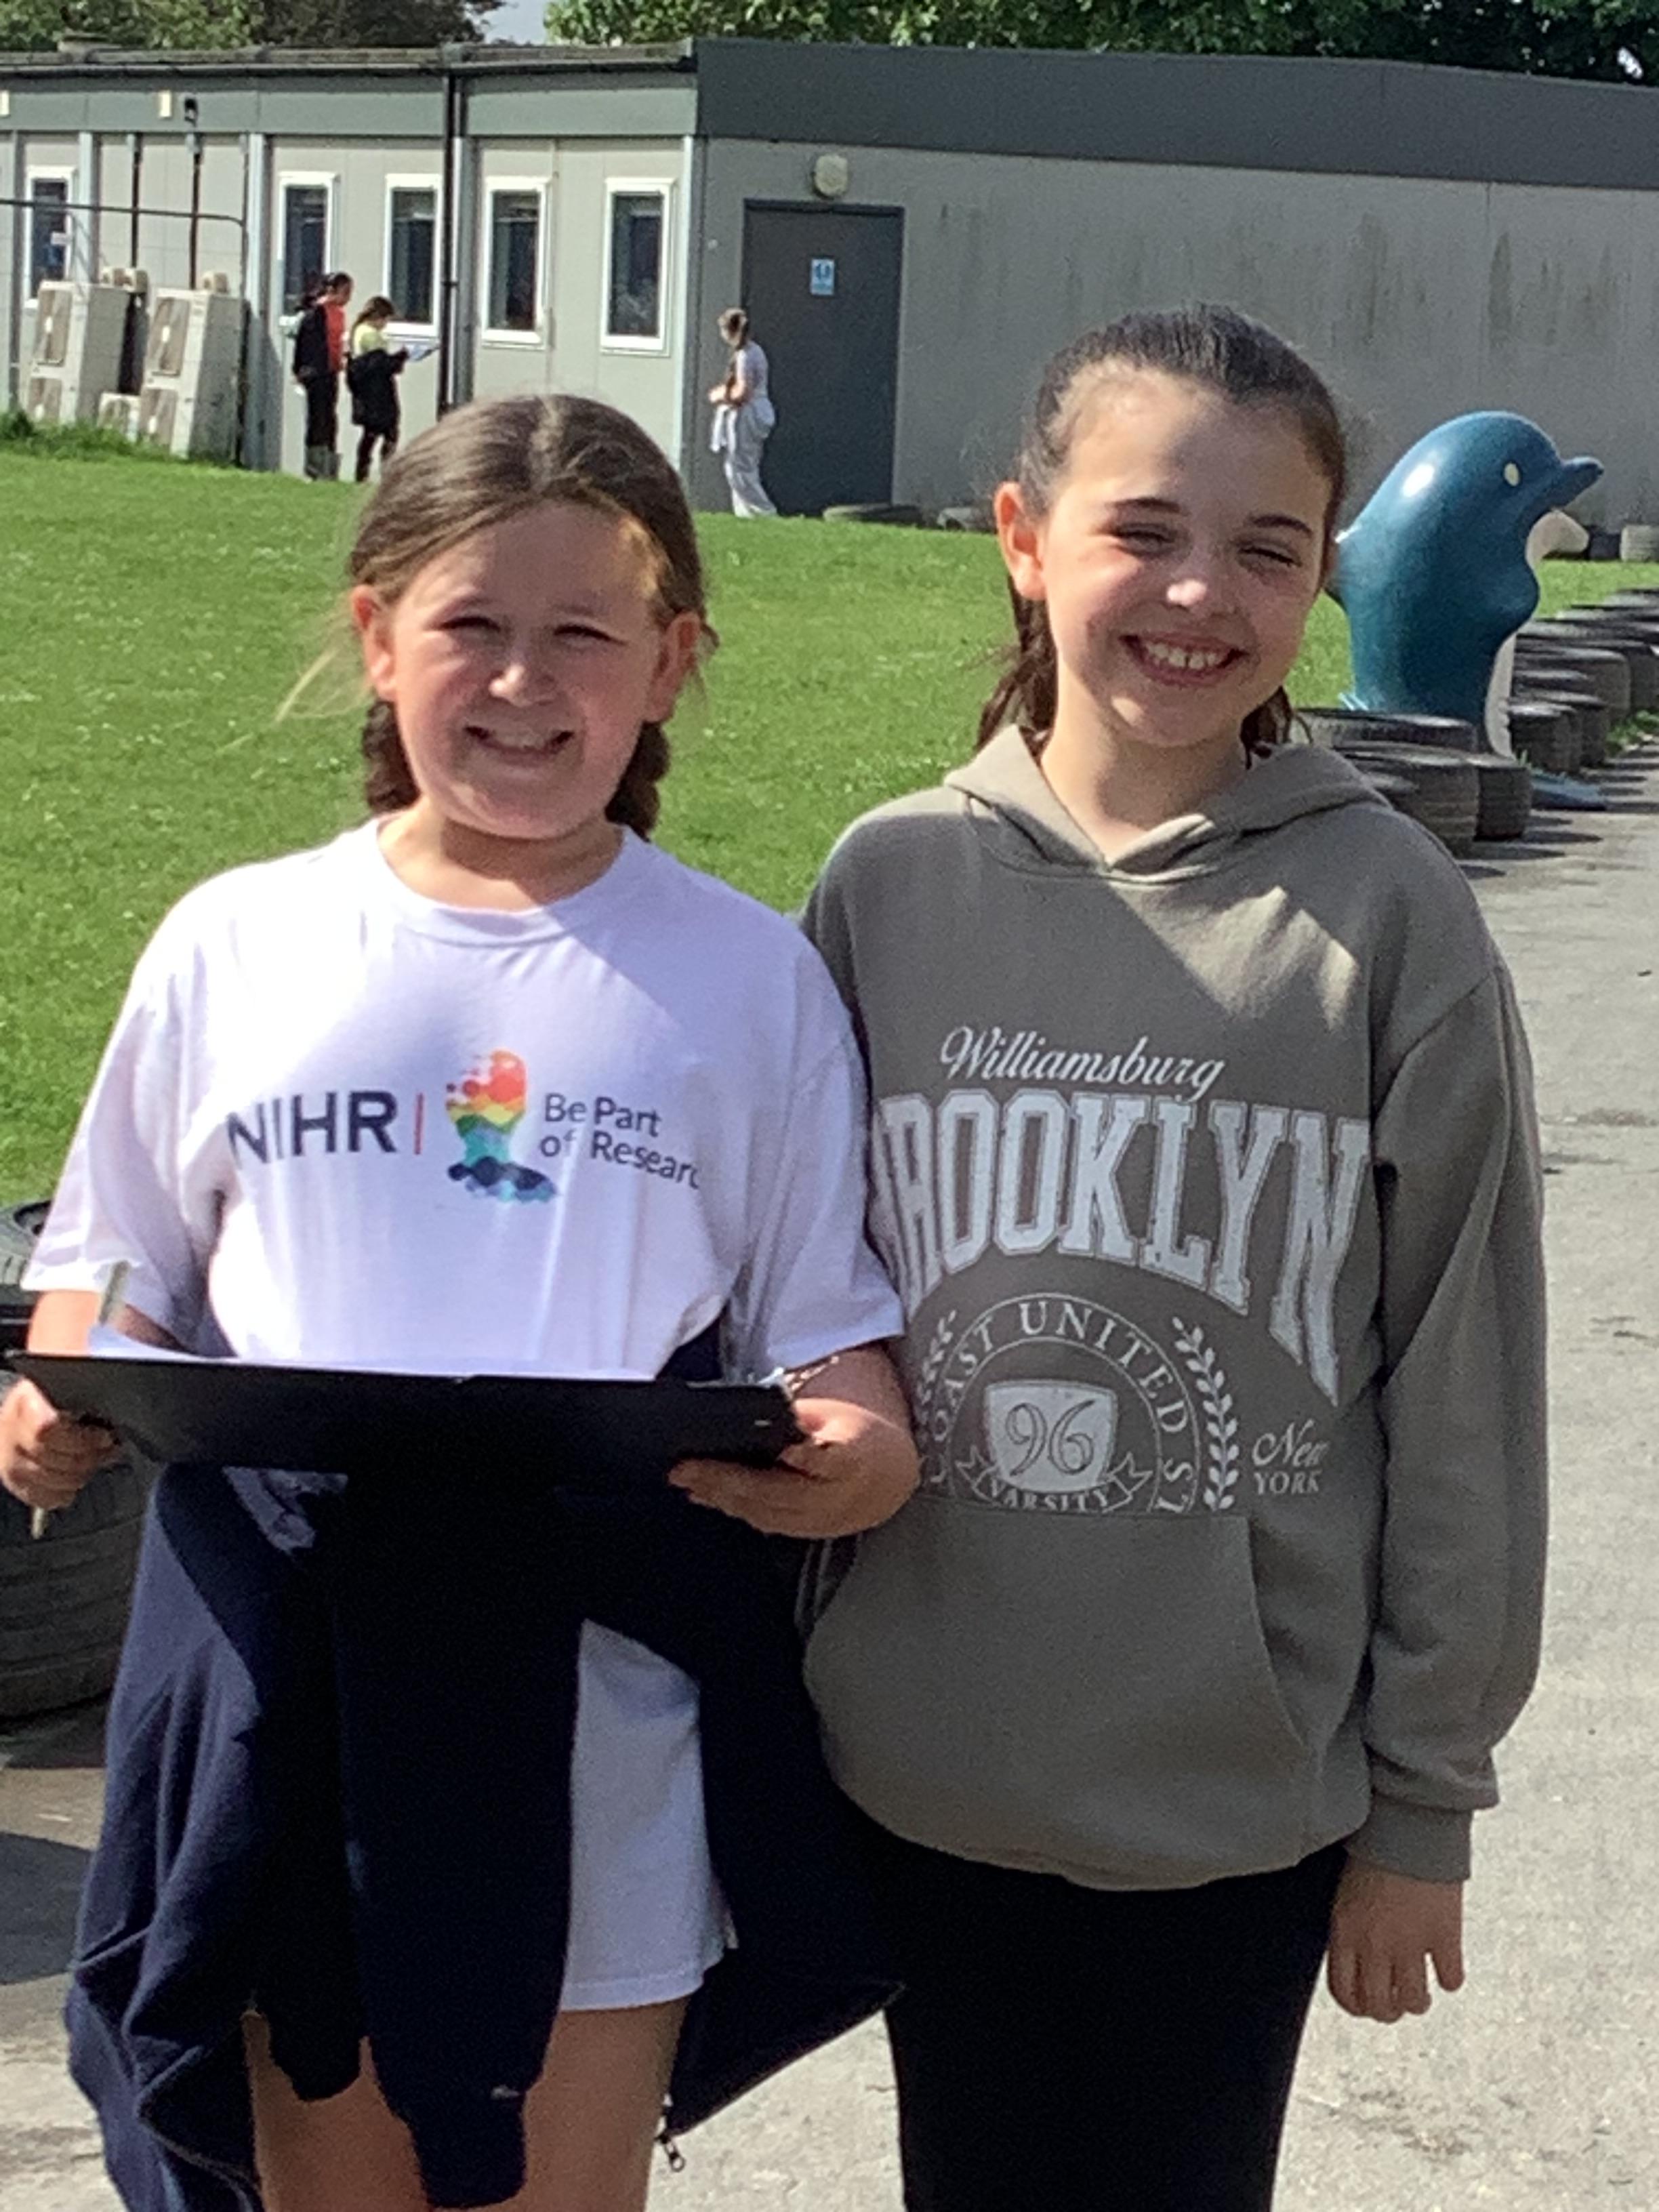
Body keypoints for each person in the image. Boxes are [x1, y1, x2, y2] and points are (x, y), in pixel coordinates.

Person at [0, 392, 916, 2212]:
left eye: (581, 633)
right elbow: (107, 1277)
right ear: (375, 634)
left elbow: (834, 1341)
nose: (519, 681)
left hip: (593, 1710)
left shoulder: (742, 981)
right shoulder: (239, 943)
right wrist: (52, 1399)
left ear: (670, 662)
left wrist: (855, 1455)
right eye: (470, 624)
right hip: (288, 1682)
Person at [780, 304, 1548, 2211]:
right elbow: (790, 1307)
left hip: (1234, 1800)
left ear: (1323, 577)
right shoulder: (888, 884)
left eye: (1266, 549)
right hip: (918, 1770)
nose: (1199, 592)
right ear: (1023, 539)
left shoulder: (1386, 913)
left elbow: (1462, 1387)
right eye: (1141, 530)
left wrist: (1422, 1804)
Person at [708, 308, 777, 518]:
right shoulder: (755, 351)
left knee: (740, 468)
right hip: (756, 410)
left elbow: (743, 392)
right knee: (742, 466)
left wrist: (720, 395)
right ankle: (744, 513)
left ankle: (763, 511)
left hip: (747, 414)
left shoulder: (745, 355)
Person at [292, 270, 352, 481]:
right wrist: (301, 370)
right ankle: (314, 468)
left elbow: (337, 342)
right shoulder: (315, 313)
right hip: (316, 372)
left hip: (331, 371)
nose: (348, 297)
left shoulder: (339, 314)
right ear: (331, 291)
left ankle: (329, 468)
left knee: (330, 418)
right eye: (345, 292)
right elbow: (305, 346)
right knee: (317, 418)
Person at [346, 295, 408, 483]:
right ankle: (385, 471)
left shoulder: (358, 330)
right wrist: (402, 357)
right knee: (388, 433)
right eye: (386, 320)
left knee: (370, 434)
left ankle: (362, 472)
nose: (385, 325)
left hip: (367, 393)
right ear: (378, 317)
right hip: (378, 393)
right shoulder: (370, 335)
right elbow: (380, 364)